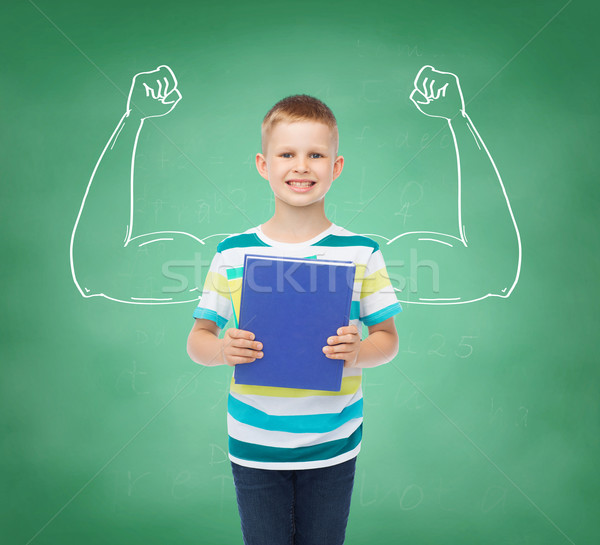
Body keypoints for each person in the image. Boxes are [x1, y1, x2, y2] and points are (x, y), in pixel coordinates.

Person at [186, 94, 402, 544]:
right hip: (254, 443)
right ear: (264, 164)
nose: (301, 166)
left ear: (336, 166)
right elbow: (198, 339)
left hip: (334, 442)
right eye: (287, 154)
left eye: (315, 155)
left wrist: (360, 352)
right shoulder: (233, 252)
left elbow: (388, 339)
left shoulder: (362, 251)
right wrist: (222, 349)